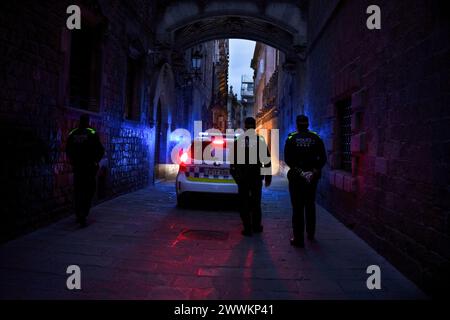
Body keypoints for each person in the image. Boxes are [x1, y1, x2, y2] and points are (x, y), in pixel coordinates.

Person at [284, 115, 327, 247]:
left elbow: (288, 159)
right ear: (308, 124)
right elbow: (323, 158)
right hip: (311, 178)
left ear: (297, 124)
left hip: (297, 178)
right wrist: (313, 171)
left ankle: (298, 238)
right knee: (310, 204)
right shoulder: (316, 138)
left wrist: (301, 172)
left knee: (297, 208)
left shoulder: (291, 138)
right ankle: (310, 233)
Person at [230, 117, 272, 236]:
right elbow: (266, 160)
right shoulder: (260, 141)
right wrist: (267, 176)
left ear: (245, 127)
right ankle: (256, 226)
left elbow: (232, 163)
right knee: (256, 203)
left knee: (243, 203)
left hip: (243, 178)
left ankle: (247, 228)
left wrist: (237, 178)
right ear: (254, 127)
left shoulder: (238, 141)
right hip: (256, 178)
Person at [66, 114, 104, 227]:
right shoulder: (92, 133)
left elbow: (68, 149)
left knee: (78, 190)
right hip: (89, 167)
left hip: (78, 167)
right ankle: (84, 213)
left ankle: (79, 213)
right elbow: (100, 149)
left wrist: (73, 162)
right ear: (88, 122)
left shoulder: (72, 133)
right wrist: (96, 161)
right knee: (89, 190)